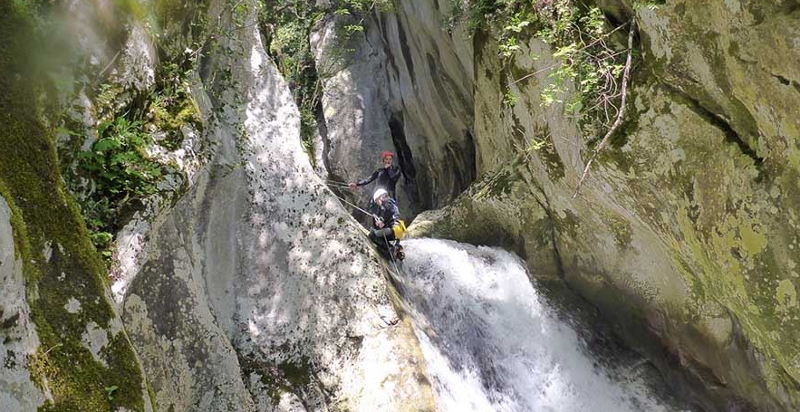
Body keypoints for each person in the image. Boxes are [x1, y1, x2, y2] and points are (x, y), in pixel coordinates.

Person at [368, 188, 406, 260]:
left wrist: (382, 221)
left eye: (377, 201)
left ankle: (390, 250)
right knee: (374, 233)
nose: (377, 203)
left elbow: (389, 212)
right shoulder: (387, 205)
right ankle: (394, 249)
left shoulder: (388, 203)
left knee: (374, 234)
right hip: (396, 230)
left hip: (394, 229)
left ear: (380, 197)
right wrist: (378, 221)